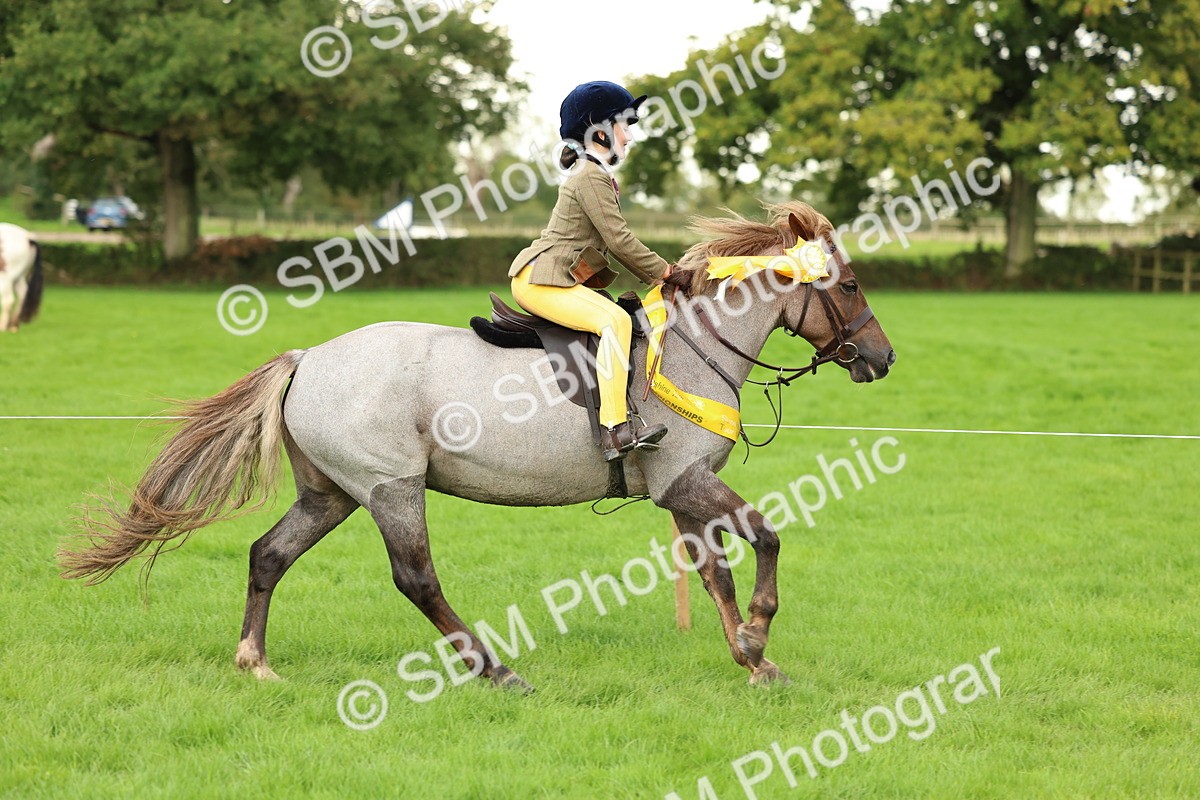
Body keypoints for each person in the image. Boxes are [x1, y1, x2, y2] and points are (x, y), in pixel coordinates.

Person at [508, 81, 672, 462]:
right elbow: (619, 240)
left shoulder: (591, 173)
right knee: (616, 323)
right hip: (541, 279)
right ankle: (616, 431)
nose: (629, 138)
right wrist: (665, 272)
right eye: (624, 126)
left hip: (552, 276)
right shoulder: (590, 176)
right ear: (599, 130)